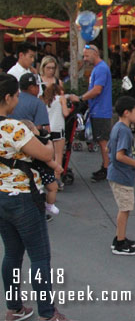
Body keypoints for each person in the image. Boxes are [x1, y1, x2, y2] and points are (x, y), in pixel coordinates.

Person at [0, 73, 74, 321]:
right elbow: (44, 152)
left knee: (11, 254)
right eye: (17, 96)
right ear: (8, 97)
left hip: (1, 199)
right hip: (24, 199)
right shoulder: (13, 127)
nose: (18, 99)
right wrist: (46, 139)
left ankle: (15, 308)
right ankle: (48, 313)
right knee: (40, 257)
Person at [107, 96, 135, 255]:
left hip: (119, 174)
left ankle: (120, 237)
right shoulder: (124, 131)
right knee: (125, 208)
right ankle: (120, 243)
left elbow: (109, 149)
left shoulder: (117, 127)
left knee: (125, 208)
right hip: (121, 175)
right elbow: (119, 155)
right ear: (126, 112)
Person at [79, 44, 113, 182]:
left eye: (87, 56)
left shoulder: (101, 69)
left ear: (95, 53)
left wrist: (81, 98)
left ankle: (107, 169)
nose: (85, 59)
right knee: (101, 141)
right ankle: (106, 167)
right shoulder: (98, 69)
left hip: (101, 111)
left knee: (103, 141)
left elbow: (97, 89)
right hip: (98, 110)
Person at [21, 120, 62, 216]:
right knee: (53, 188)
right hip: (43, 171)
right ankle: (50, 205)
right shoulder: (38, 142)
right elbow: (47, 158)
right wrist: (57, 167)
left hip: (27, 175)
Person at [42, 84, 70, 187]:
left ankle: (48, 176)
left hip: (49, 129)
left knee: (50, 155)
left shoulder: (46, 101)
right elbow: (65, 113)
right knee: (59, 154)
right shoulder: (61, 98)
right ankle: (57, 178)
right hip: (58, 128)